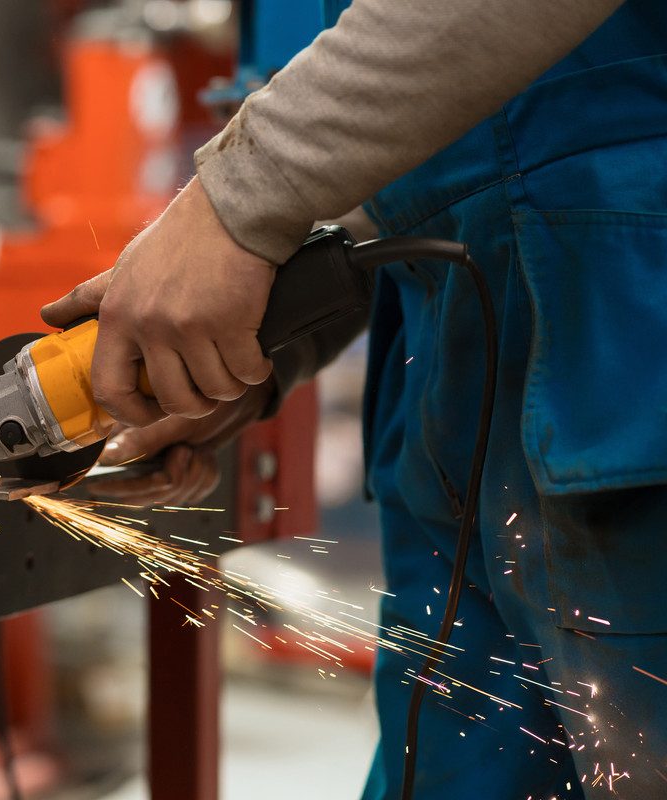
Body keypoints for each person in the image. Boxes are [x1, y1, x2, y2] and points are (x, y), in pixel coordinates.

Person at [42, 1, 667, 797]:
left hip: (628, 338)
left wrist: (239, 195)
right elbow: (438, 151)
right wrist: (262, 341)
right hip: (460, 380)